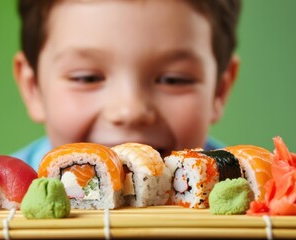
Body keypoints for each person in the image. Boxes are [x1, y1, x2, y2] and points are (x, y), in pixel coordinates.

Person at [13, 0, 241, 171]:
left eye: (173, 80)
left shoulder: (251, 198)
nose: (130, 111)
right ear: (34, 88)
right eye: (87, 78)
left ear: (218, 92)